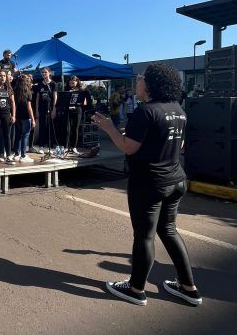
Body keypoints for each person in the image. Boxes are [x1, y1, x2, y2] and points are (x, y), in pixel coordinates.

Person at [93, 64, 201, 307]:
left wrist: (109, 127)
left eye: (141, 78)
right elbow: (179, 145)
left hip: (150, 183)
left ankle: (136, 289)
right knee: (169, 230)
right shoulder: (178, 110)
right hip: (175, 179)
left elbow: (128, 147)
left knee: (144, 235)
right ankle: (188, 287)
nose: (137, 82)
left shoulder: (146, 111)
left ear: (151, 85)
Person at [35, 67, 57, 153]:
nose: (44, 74)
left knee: (50, 127)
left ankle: (50, 146)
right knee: (42, 127)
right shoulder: (39, 84)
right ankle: (41, 146)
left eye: (45, 72)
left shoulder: (53, 84)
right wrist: (36, 110)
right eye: (42, 73)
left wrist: (54, 109)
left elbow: (55, 97)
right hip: (41, 109)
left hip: (50, 108)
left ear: (49, 73)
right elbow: (37, 98)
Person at [13, 74, 36, 162]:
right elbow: (29, 107)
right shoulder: (28, 92)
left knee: (18, 135)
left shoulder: (15, 91)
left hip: (18, 116)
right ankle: (23, 155)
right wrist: (33, 119)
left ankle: (16, 154)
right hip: (26, 117)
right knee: (25, 135)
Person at [64, 76, 87, 154]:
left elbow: (85, 102)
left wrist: (78, 103)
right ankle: (66, 147)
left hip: (77, 110)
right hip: (68, 110)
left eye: (73, 82)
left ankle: (74, 147)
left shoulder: (81, 91)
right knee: (67, 129)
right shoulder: (67, 90)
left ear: (77, 82)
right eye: (70, 82)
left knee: (75, 129)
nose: (71, 83)